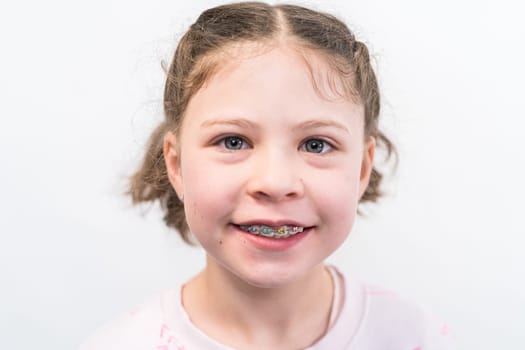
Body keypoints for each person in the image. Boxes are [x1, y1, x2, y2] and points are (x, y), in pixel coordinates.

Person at [80, 2, 453, 349]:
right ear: (176, 165)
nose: (275, 183)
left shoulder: (417, 338)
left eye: (316, 145)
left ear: (361, 169)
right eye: (233, 141)